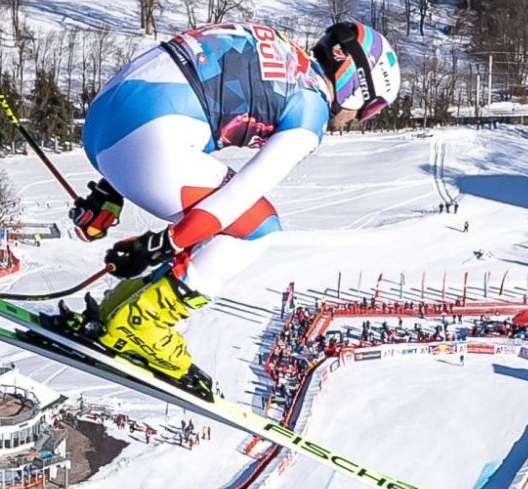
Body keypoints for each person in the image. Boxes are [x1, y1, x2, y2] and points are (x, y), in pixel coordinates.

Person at [73, 21, 400, 399]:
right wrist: (167, 242)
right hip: (141, 141)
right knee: (259, 227)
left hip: (103, 121)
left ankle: (124, 306)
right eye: (372, 107)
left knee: (212, 212)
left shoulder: (279, 45)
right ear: (356, 83)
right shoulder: (310, 108)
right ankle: (145, 323)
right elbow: (240, 196)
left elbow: (183, 83)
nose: (359, 119)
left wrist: (110, 187)